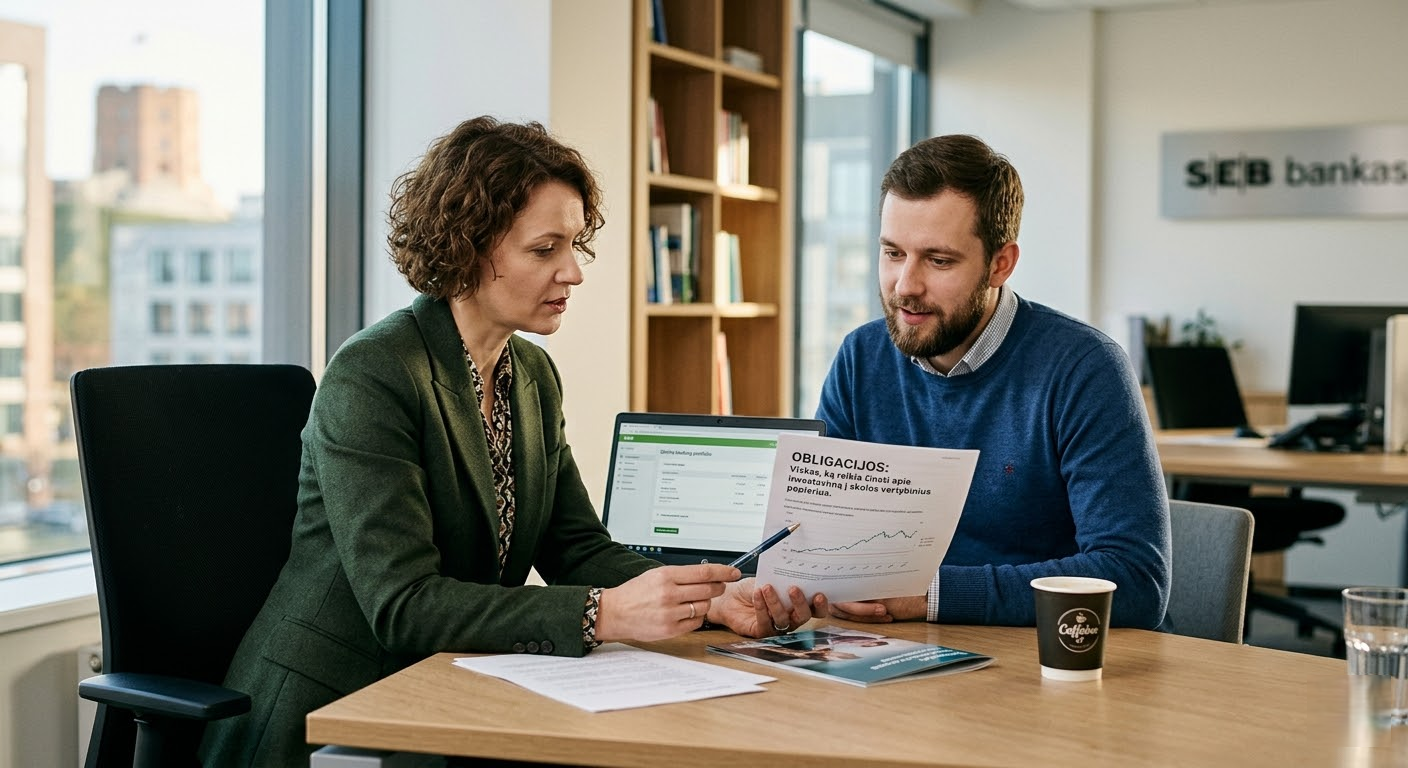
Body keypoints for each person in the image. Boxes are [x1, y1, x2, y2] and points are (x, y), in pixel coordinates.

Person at [200, 116, 813, 767]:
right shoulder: (375, 374)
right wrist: (600, 615)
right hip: (332, 714)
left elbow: (576, 546)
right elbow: (402, 605)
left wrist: (709, 598)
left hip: (441, 694)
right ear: (468, 247)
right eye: (545, 249)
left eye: (575, 245)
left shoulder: (532, 375)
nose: (573, 272)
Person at [810, 134, 1170, 630]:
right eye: (893, 253)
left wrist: (929, 595)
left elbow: (1135, 578)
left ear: (1000, 264)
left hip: (1049, 668)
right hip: (893, 656)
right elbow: (815, 538)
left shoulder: (1084, 367)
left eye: (938, 261)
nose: (905, 286)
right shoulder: (861, 357)